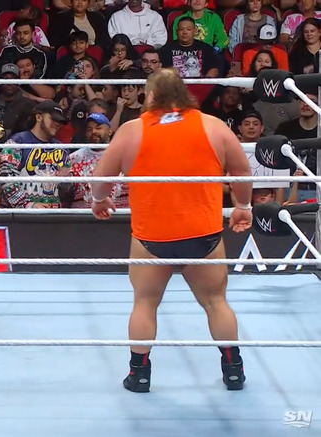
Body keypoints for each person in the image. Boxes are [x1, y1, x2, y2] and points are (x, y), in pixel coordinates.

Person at [90, 69, 253, 392]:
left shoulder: (132, 130)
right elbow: (241, 170)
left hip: (153, 237)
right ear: (184, 94)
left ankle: (139, 375)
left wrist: (99, 200)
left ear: (150, 97)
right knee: (216, 302)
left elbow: (101, 178)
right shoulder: (214, 126)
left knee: (145, 303)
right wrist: (243, 206)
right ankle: (233, 371)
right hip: (203, 234)